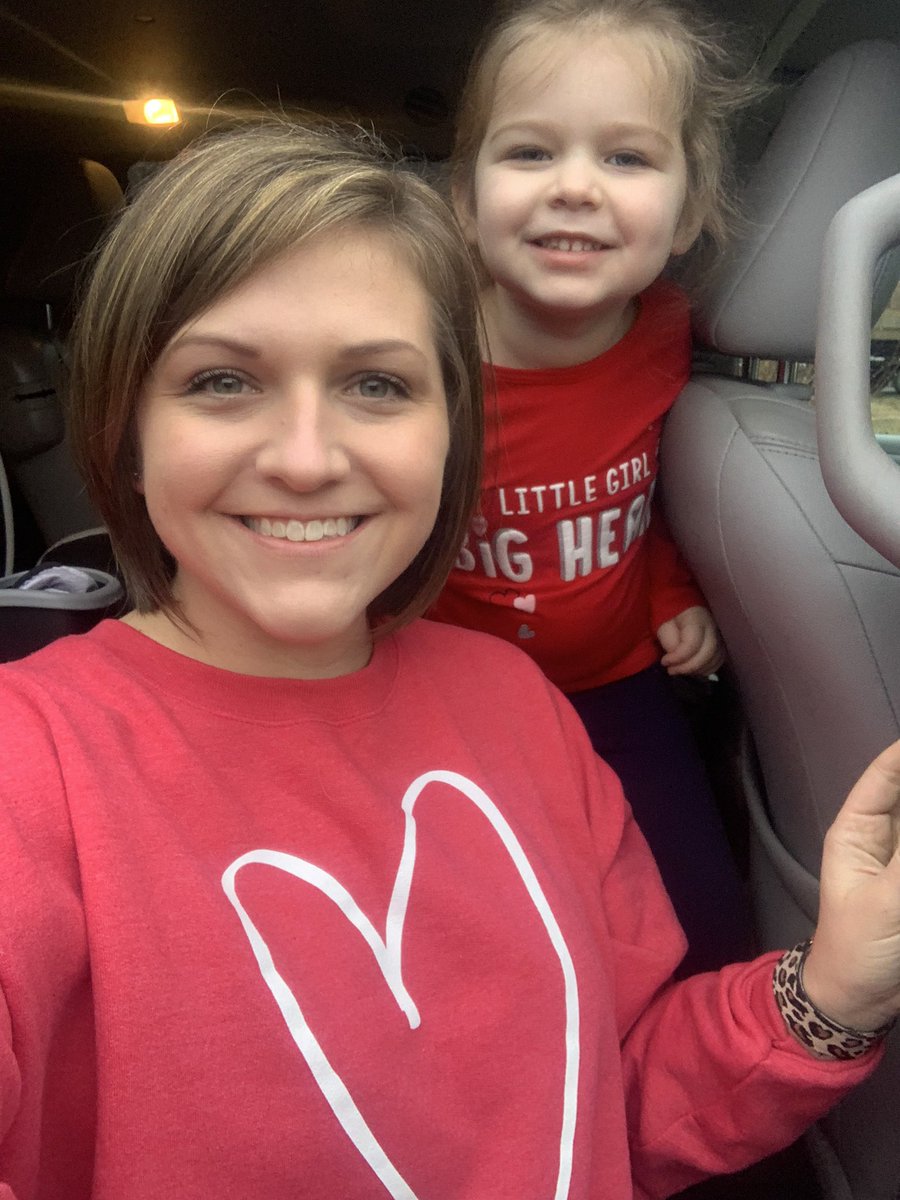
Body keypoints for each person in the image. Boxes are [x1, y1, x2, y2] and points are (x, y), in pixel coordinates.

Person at [0, 120, 898, 1200]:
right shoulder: (30, 762)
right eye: (222, 382)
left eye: (377, 386)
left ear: (449, 435)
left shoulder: (512, 701)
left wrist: (832, 990)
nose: (304, 458)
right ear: (127, 431)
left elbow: (601, 1106)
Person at [428, 0, 760, 972]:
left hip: (619, 685)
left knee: (702, 929)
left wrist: (671, 591)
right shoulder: (417, 353)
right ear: (465, 197)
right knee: (487, 942)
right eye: (530, 153)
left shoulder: (669, 338)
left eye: (627, 158)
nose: (575, 187)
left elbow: (653, 497)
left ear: (691, 208)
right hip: (444, 697)